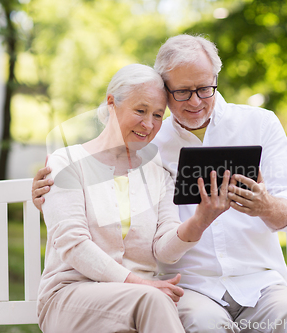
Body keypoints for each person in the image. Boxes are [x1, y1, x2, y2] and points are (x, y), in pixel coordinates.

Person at [33, 35, 287, 333]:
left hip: (260, 285)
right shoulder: (149, 142)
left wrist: (266, 205)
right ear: (166, 91)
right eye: (183, 92)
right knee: (203, 323)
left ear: (215, 79)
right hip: (192, 289)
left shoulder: (259, 124)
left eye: (204, 88)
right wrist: (51, 189)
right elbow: (90, 175)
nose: (195, 101)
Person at [36, 63, 232, 333]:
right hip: (71, 295)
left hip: (140, 299)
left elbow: (163, 251)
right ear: (111, 104)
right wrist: (142, 285)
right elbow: (73, 244)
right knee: (154, 299)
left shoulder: (157, 171)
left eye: (157, 115)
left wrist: (200, 220)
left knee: (203, 316)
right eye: (140, 111)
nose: (148, 124)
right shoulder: (67, 161)